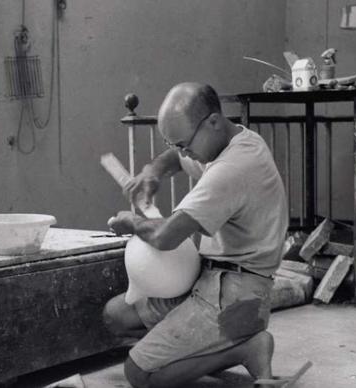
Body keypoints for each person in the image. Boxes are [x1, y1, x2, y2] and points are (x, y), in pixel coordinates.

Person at [103, 82, 288, 388]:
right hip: (209, 278)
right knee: (116, 315)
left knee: (140, 374)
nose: (183, 152)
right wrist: (152, 173)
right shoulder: (229, 140)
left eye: (184, 143)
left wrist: (131, 223)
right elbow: (173, 159)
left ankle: (245, 347)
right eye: (176, 144)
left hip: (237, 295)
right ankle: (202, 346)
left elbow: (166, 236)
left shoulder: (233, 167)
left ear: (213, 121)